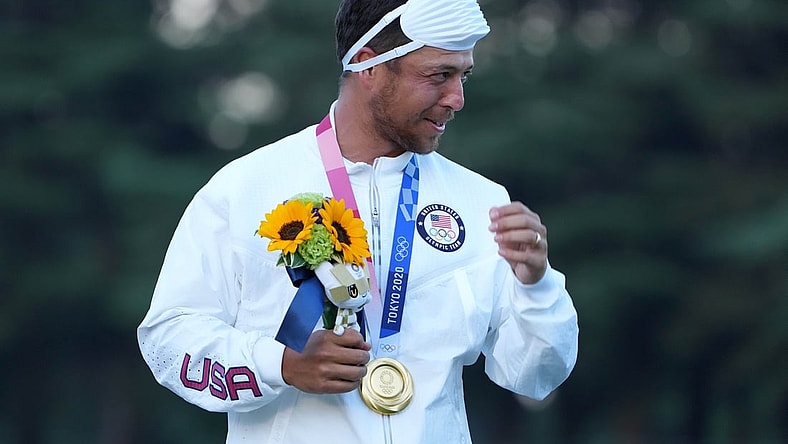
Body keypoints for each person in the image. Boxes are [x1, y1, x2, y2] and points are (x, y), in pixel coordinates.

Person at [137, 0, 579, 442]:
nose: (457, 99)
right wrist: (280, 365)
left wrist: (536, 286)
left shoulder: (482, 201)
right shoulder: (245, 189)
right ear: (369, 67)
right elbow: (168, 340)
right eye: (438, 75)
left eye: (463, 75)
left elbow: (536, 376)